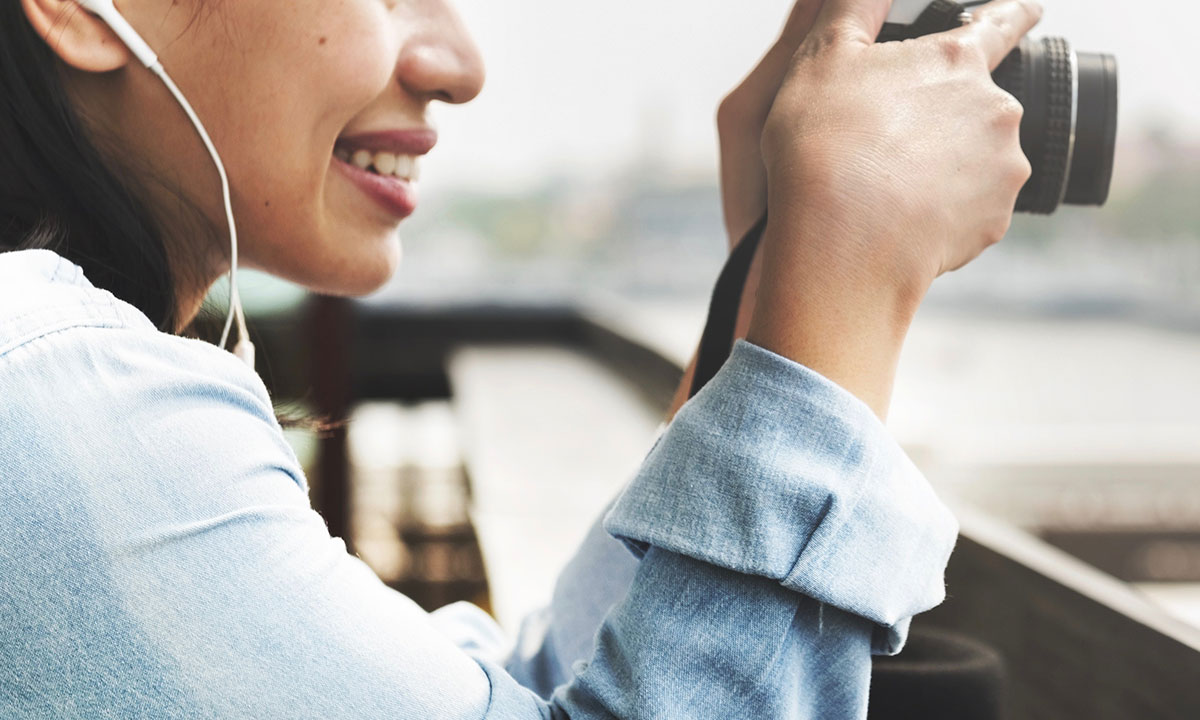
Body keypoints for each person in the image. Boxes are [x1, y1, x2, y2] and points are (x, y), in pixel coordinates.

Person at [0, 0, 1039, 717]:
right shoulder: (57, 392)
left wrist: (771, 289)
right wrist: (850, 288)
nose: (460, 65)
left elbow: (519, 698)